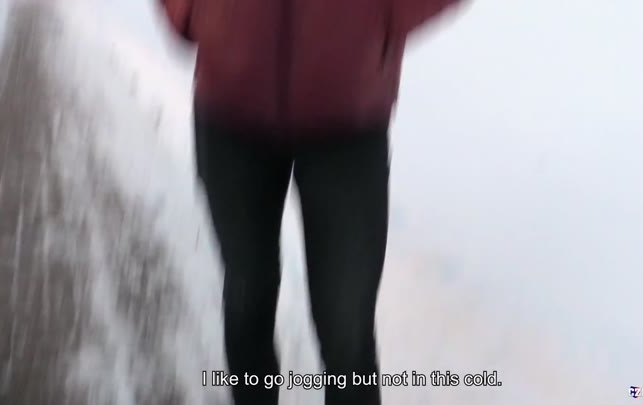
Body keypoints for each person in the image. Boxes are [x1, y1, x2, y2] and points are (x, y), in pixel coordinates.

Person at [158, 0, 464, 404]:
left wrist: (379, 14)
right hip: (231, 115)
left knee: (346, 325)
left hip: (348, 125)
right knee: (248, 295)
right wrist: (195, 10)